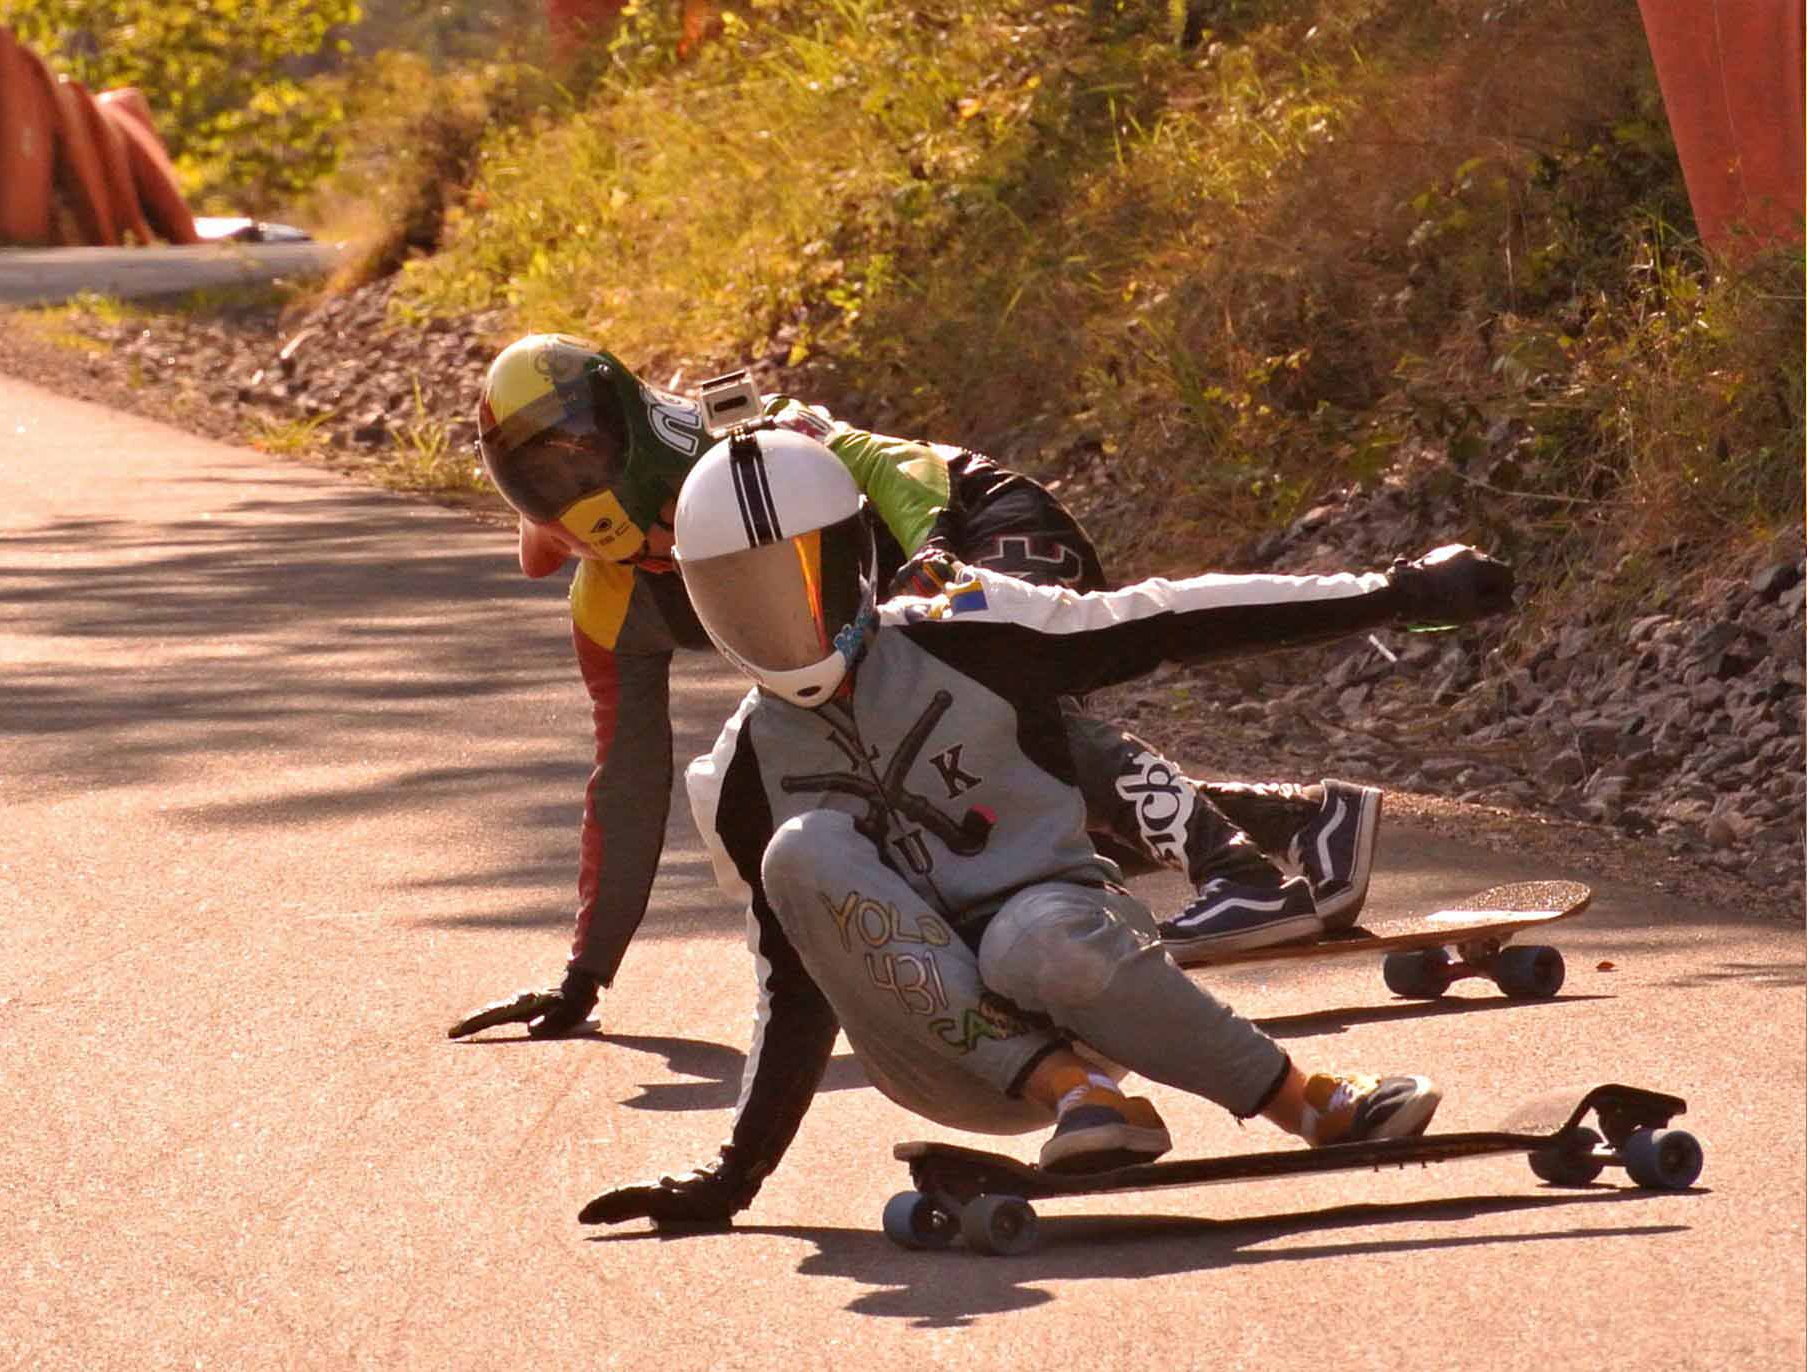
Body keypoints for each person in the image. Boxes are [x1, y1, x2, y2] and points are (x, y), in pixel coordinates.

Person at [577, 428, 1515, 1224]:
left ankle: (1302, 1103)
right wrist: (730, 1181)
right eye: (737, 595)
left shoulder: (969, 627)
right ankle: (1072, 1094)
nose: (773, 620)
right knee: (804, 849)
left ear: (854, 557)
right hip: (939, 1055)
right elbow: (792, 990)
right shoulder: (735, 774)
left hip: (1080, 970)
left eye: (794, 583)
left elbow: (1173, 617)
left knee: (1037, 935)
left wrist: (1396, 593)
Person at [449, 333, 1383, 1041]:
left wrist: (932, 552)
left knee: (988, 708)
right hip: (904, 602)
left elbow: (887, 464)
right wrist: (585, 976)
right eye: (652, 556)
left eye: (668, 530)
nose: (662, 554)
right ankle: (1309, 826)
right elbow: (626, 782)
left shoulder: (739, 437)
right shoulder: (610, 601)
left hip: (978, 522)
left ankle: (1242, 875)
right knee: (967, 802)